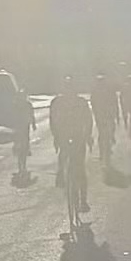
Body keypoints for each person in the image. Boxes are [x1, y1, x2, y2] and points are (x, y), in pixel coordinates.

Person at [48, 80, 96, 228]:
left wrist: (87, 135)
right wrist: (56, 136)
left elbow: (88, 120)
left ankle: (82, 200)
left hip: (77, 137)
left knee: (79, 167)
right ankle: (64, 177)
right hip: (68, 136)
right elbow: (53, 121)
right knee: (72, 162)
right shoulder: (59, 102)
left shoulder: (78, 103)